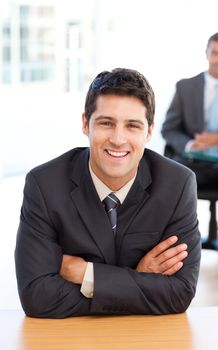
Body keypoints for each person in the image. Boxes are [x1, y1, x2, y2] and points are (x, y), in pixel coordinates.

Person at [15, 68, 201, 319]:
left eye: (132, 126)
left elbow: (179, 293)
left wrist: (86, 274)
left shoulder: (177, 184)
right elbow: (37, 296)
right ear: (85, 124)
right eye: (106, 123)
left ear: (148, 131)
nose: (118, 139)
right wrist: (139, 277)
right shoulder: (44, 184)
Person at [161, 32, 218, 187]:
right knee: (172, 179)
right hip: (193, 163)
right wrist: (190, 144)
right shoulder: (185, 87)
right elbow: (169, 129)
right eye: (214, 53)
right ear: (206, 54)